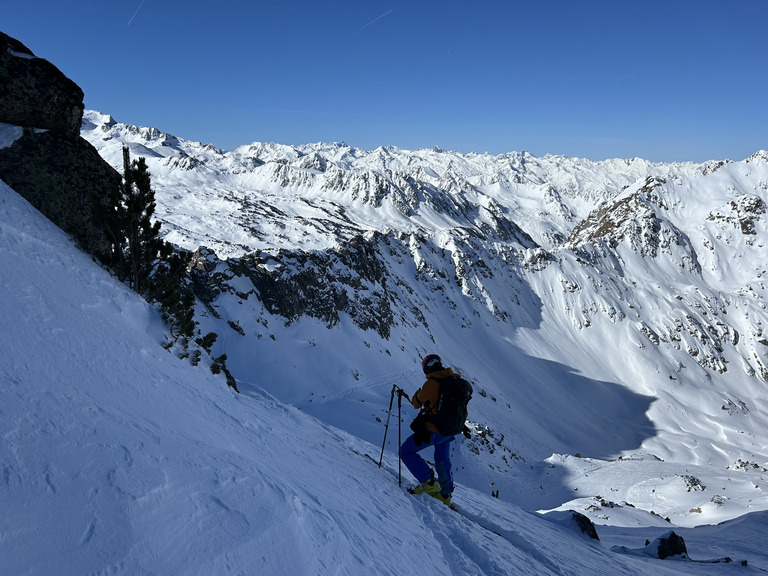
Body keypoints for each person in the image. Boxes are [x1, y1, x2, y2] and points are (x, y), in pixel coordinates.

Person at [399, 353, 464, 506]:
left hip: (433, 430)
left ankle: (428, 483)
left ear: (426, 368)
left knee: (406, 451)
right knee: (442, 460)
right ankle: (445, 495)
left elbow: (417, 403)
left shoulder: (432, 383)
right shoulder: (454, 380)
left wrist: (417, 394)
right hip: (449, 431)